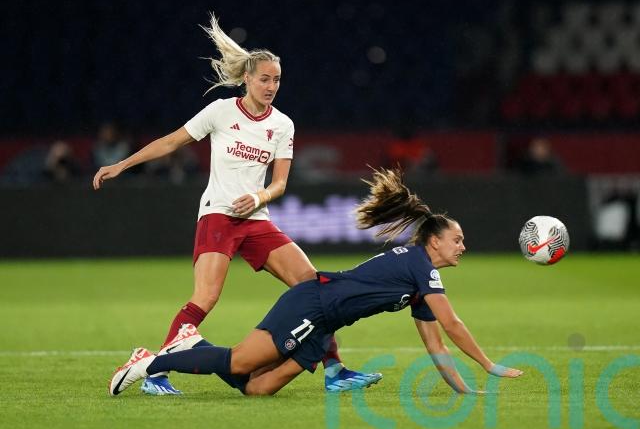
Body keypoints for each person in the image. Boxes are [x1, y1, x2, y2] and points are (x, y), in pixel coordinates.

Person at [93, 12, 379, 395]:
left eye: (277, 80)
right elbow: (172, 141)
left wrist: (259, 197)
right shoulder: (221, 111)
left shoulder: (283, 125)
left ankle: (335, 371)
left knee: (314, 288)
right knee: (206, 297)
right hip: (218, 215)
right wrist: (122, 165)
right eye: (265, 79)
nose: (271, 86)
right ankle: (155, 371)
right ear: (247, 77)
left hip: (256, 219)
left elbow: (279, 184)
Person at [109, 167, 523, 397]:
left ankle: (194, 346)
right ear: (434, 242)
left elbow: (436, 344)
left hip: (323, 323)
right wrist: (488, 365)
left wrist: (465, 391)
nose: (463, 246)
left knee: (257, 388)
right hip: (312, 305)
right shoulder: (421, 266)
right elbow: (453, 325)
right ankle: (150, 361)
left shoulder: (419, 280)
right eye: (457, 239)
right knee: (238, 363)